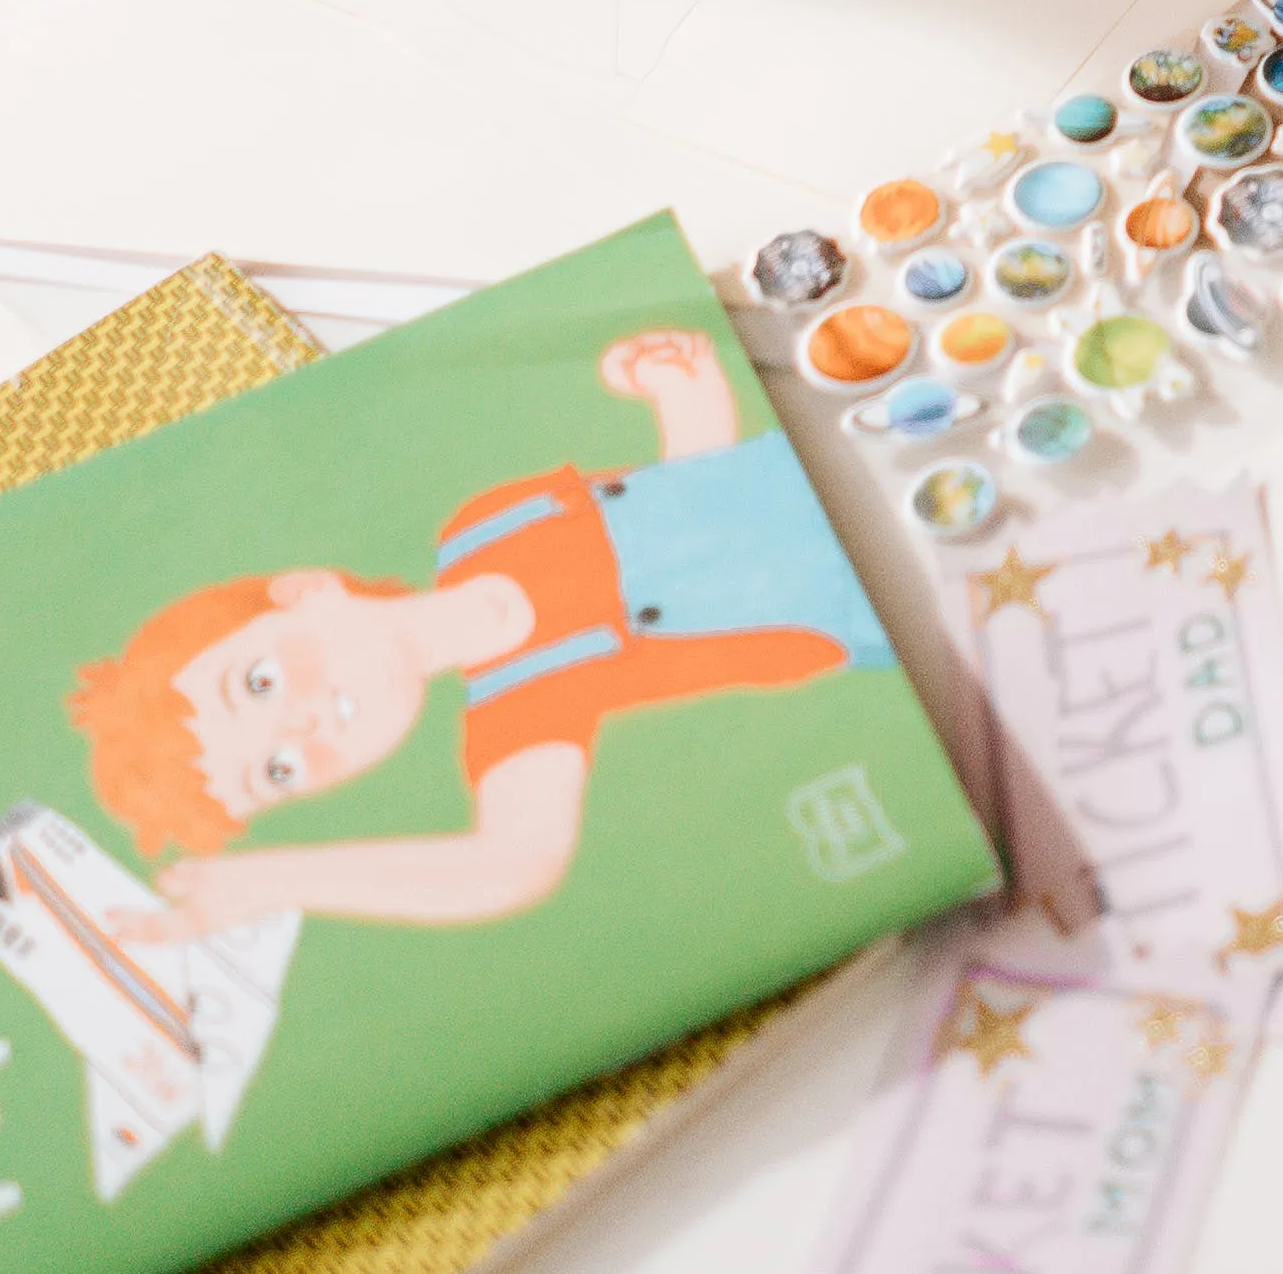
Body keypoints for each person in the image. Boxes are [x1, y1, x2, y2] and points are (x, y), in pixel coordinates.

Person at [69, 322, 875, 939]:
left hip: (829, 437)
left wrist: (675, 382)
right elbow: (508, 866)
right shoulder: (516, 715)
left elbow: (687, 488)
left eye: (259, 684)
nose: (300, 726)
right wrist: (275, 881)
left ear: (307, 592)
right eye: (278, 769)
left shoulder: (486, 525)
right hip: (870, 597)